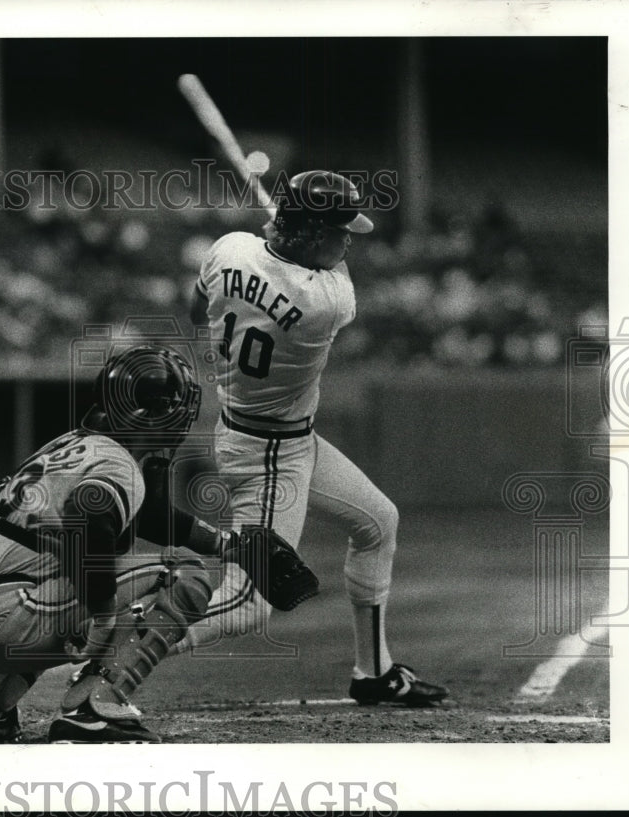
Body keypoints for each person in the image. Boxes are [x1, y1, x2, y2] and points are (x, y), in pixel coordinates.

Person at [0, 345, 294, 743]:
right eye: (175, 409)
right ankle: (96, 706)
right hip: (2, 621)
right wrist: (103, 615)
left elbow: (150, 515)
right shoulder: (117, 463)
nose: (180, 420)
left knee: (81, 568)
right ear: (151, 413)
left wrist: (230, 545)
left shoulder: (75, 443)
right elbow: (85, 521)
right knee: (183, 574)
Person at [184, 170, 449, 706]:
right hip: (267, 457)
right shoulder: (325, 303)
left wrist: (265, 250)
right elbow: (309, 272)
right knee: (246, 605)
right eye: (338, 229)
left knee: (378, 523)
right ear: (307, 233)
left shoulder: (227, 247)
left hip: (283, 439)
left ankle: (373, 672)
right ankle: (108, 657)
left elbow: (198, 309)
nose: (349, 239)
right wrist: (278, 249)